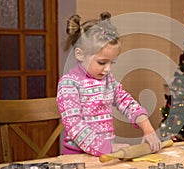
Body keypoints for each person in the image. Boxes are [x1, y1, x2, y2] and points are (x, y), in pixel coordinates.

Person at [56, 12, 161, 156]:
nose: (108, 69)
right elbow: (74, 125)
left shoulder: (108, 80)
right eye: (102, 62)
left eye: (112, 62)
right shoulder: (69, 84)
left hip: (105, 155)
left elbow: (127, 103)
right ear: (80, 54)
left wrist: (148, 129)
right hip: (77, 157)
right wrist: (108, 148)